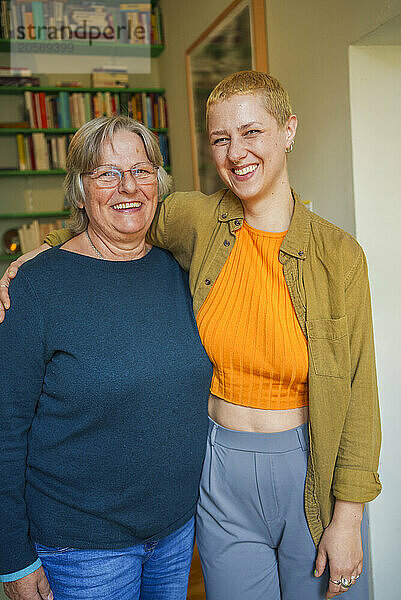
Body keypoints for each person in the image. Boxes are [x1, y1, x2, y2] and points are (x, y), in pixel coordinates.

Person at [0, 71, 381, 600]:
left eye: (252, 133)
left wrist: (349, 515)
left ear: (288, 131)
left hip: (305, 466)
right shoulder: (199, 220)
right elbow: (118, 217)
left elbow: (360, 393)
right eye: (221, 139)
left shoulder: (338, 255)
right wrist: (39, 256)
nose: (236, 153)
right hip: (216, 470)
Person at [0, 115, 212, 600]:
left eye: (141, 171)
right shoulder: (34, 288)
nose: (128, 187)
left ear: (159, 185)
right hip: (81, 551)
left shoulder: (180, 272)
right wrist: (12, 560)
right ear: (79, 191)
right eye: (107, 173)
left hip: (177, 535)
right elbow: (5, 430)